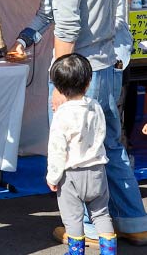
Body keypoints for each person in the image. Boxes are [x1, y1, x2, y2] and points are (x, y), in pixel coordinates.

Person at [50, 0, 147, 245]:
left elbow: (67, 28)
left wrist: (61, 83)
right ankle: (134, 221)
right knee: (110, 144)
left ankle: (87, 227)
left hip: (78, 70)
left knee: (76, 151)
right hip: (106, 66)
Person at [47, 54, 116, 255]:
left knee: (73, 218)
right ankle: (109, 252)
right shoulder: (95, 106)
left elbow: (57, 150)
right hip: (97, 170)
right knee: (102, 215)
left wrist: (53, 176)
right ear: (88, 83)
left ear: (58, 88)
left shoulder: (62, 114)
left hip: (71, 175)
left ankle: (76, 252)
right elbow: (102, 133)